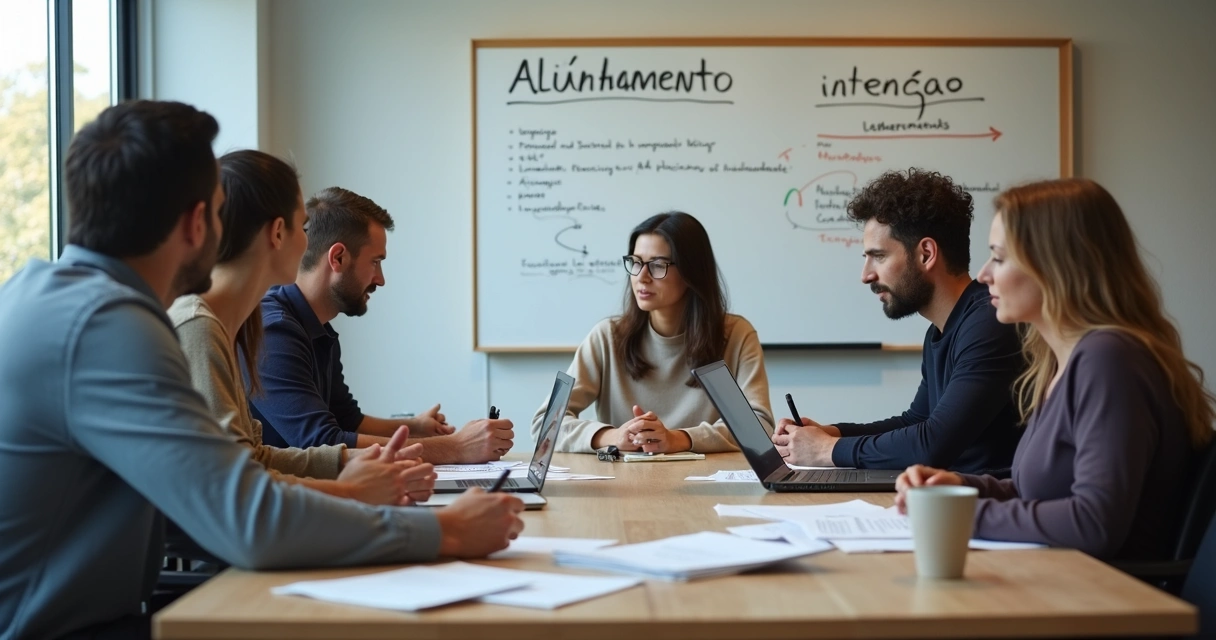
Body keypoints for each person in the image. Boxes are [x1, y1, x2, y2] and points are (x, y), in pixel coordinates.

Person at [0, 100, 524, 640]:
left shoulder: (47, 297)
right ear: (198, 222)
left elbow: (191, 511)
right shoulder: (110, 328)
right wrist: (444, 531)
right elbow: (245, 520)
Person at [894, 178, 1214, 560]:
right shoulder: (1064, 360)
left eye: (999, 257)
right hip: (1061, 577)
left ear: (1055, 265)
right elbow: (1042, 493)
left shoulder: (1109, 361)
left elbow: (1094, 522)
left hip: (1103, 598)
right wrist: (960, 487)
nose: (983, 275)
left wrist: (955, 514)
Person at [169, 149, 434, 506]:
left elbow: (255, 458)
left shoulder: (232, 324)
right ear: (279, 232)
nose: (309, 242)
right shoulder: (202, 326)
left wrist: (357, 462)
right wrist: (353, 487)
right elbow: (237, 483)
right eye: (302, 226)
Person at [773, 169, 1023, 473]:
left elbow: (932, 444)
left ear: (926, 254)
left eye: (878, 256)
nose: (866, 275)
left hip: (982, 509)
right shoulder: (942, 329)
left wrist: (827, 450)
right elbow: (915, 422)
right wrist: (830, 434)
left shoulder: (990, 324)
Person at [248, 187, 513, 464]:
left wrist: (414, 426)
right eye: (375, 262)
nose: (380, 279)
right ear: (337, 258)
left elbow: (347, 420)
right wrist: (456, 447)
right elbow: (321, 441)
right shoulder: (274, 331)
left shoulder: (317, 327)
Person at [533, 211, 773, 454]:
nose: (641, 277)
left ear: (692, 272)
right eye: (636, 263)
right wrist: (612, 436)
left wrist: (677, 439)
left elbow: (759, 426)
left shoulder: (735, 336)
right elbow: (545, 424)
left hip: (705, 486)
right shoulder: (607, 337)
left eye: (658, 265)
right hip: (623, 485)